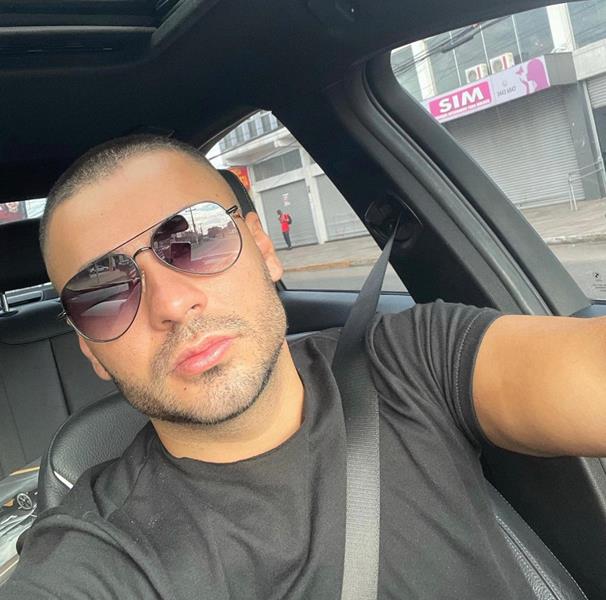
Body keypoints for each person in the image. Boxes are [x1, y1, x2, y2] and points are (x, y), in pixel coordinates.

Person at [3, 134, 606, 599]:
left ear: (264, 249)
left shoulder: (417, 359)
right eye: (104, 293)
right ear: (90, 349)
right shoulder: (102, 552)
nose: (172, 304)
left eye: (195, 239)